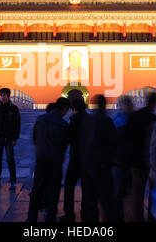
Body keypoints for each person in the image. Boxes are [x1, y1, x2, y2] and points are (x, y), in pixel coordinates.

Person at [27, 97, 71, 222]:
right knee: (54, 190)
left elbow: (35, 139)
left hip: (41, 159)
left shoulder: (40, 119)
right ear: (65, 109)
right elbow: (65, 143)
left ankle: (31, 218)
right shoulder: (63, 125)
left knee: (36, 189)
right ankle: (51, 217)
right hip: (56, 161)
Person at [80, 94, 117, 222]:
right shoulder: (107, 121)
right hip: (102, 166)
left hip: (88, 166)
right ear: (104, 105)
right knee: (106, 200)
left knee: (90, 200)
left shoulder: (88, 121)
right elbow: (114, 143)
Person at [127, 91, 156, 221]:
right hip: (152, 163)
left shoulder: (134, 116)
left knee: (137, 195)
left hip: (136, 161)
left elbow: (128, 137)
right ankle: (152, 218)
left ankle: (138, 219)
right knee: (153, 194)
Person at [60, 97, 88, 222]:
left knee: (69, 186)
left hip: (76, 158)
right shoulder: (90, 121)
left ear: (73, 109)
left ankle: (69, 213)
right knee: (87, 187)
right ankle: (86, 211)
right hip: (88, 159)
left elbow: (68, 139)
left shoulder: (73, 121)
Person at [0, 88, 21, 190]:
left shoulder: (14, 108)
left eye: (5, 95)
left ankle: (13, 181)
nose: (3, 97)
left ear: (8, 96)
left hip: (9, 138)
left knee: (10, 160)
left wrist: (15, 138)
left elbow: (17, 124)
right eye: (1, 95)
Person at [111, 95, 134, 222]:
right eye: (130, 104)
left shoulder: (116, 119)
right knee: (120, 192)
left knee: (120, 192)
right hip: (122, 162)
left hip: (119, 161)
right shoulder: (122, 120)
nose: (132, 106)